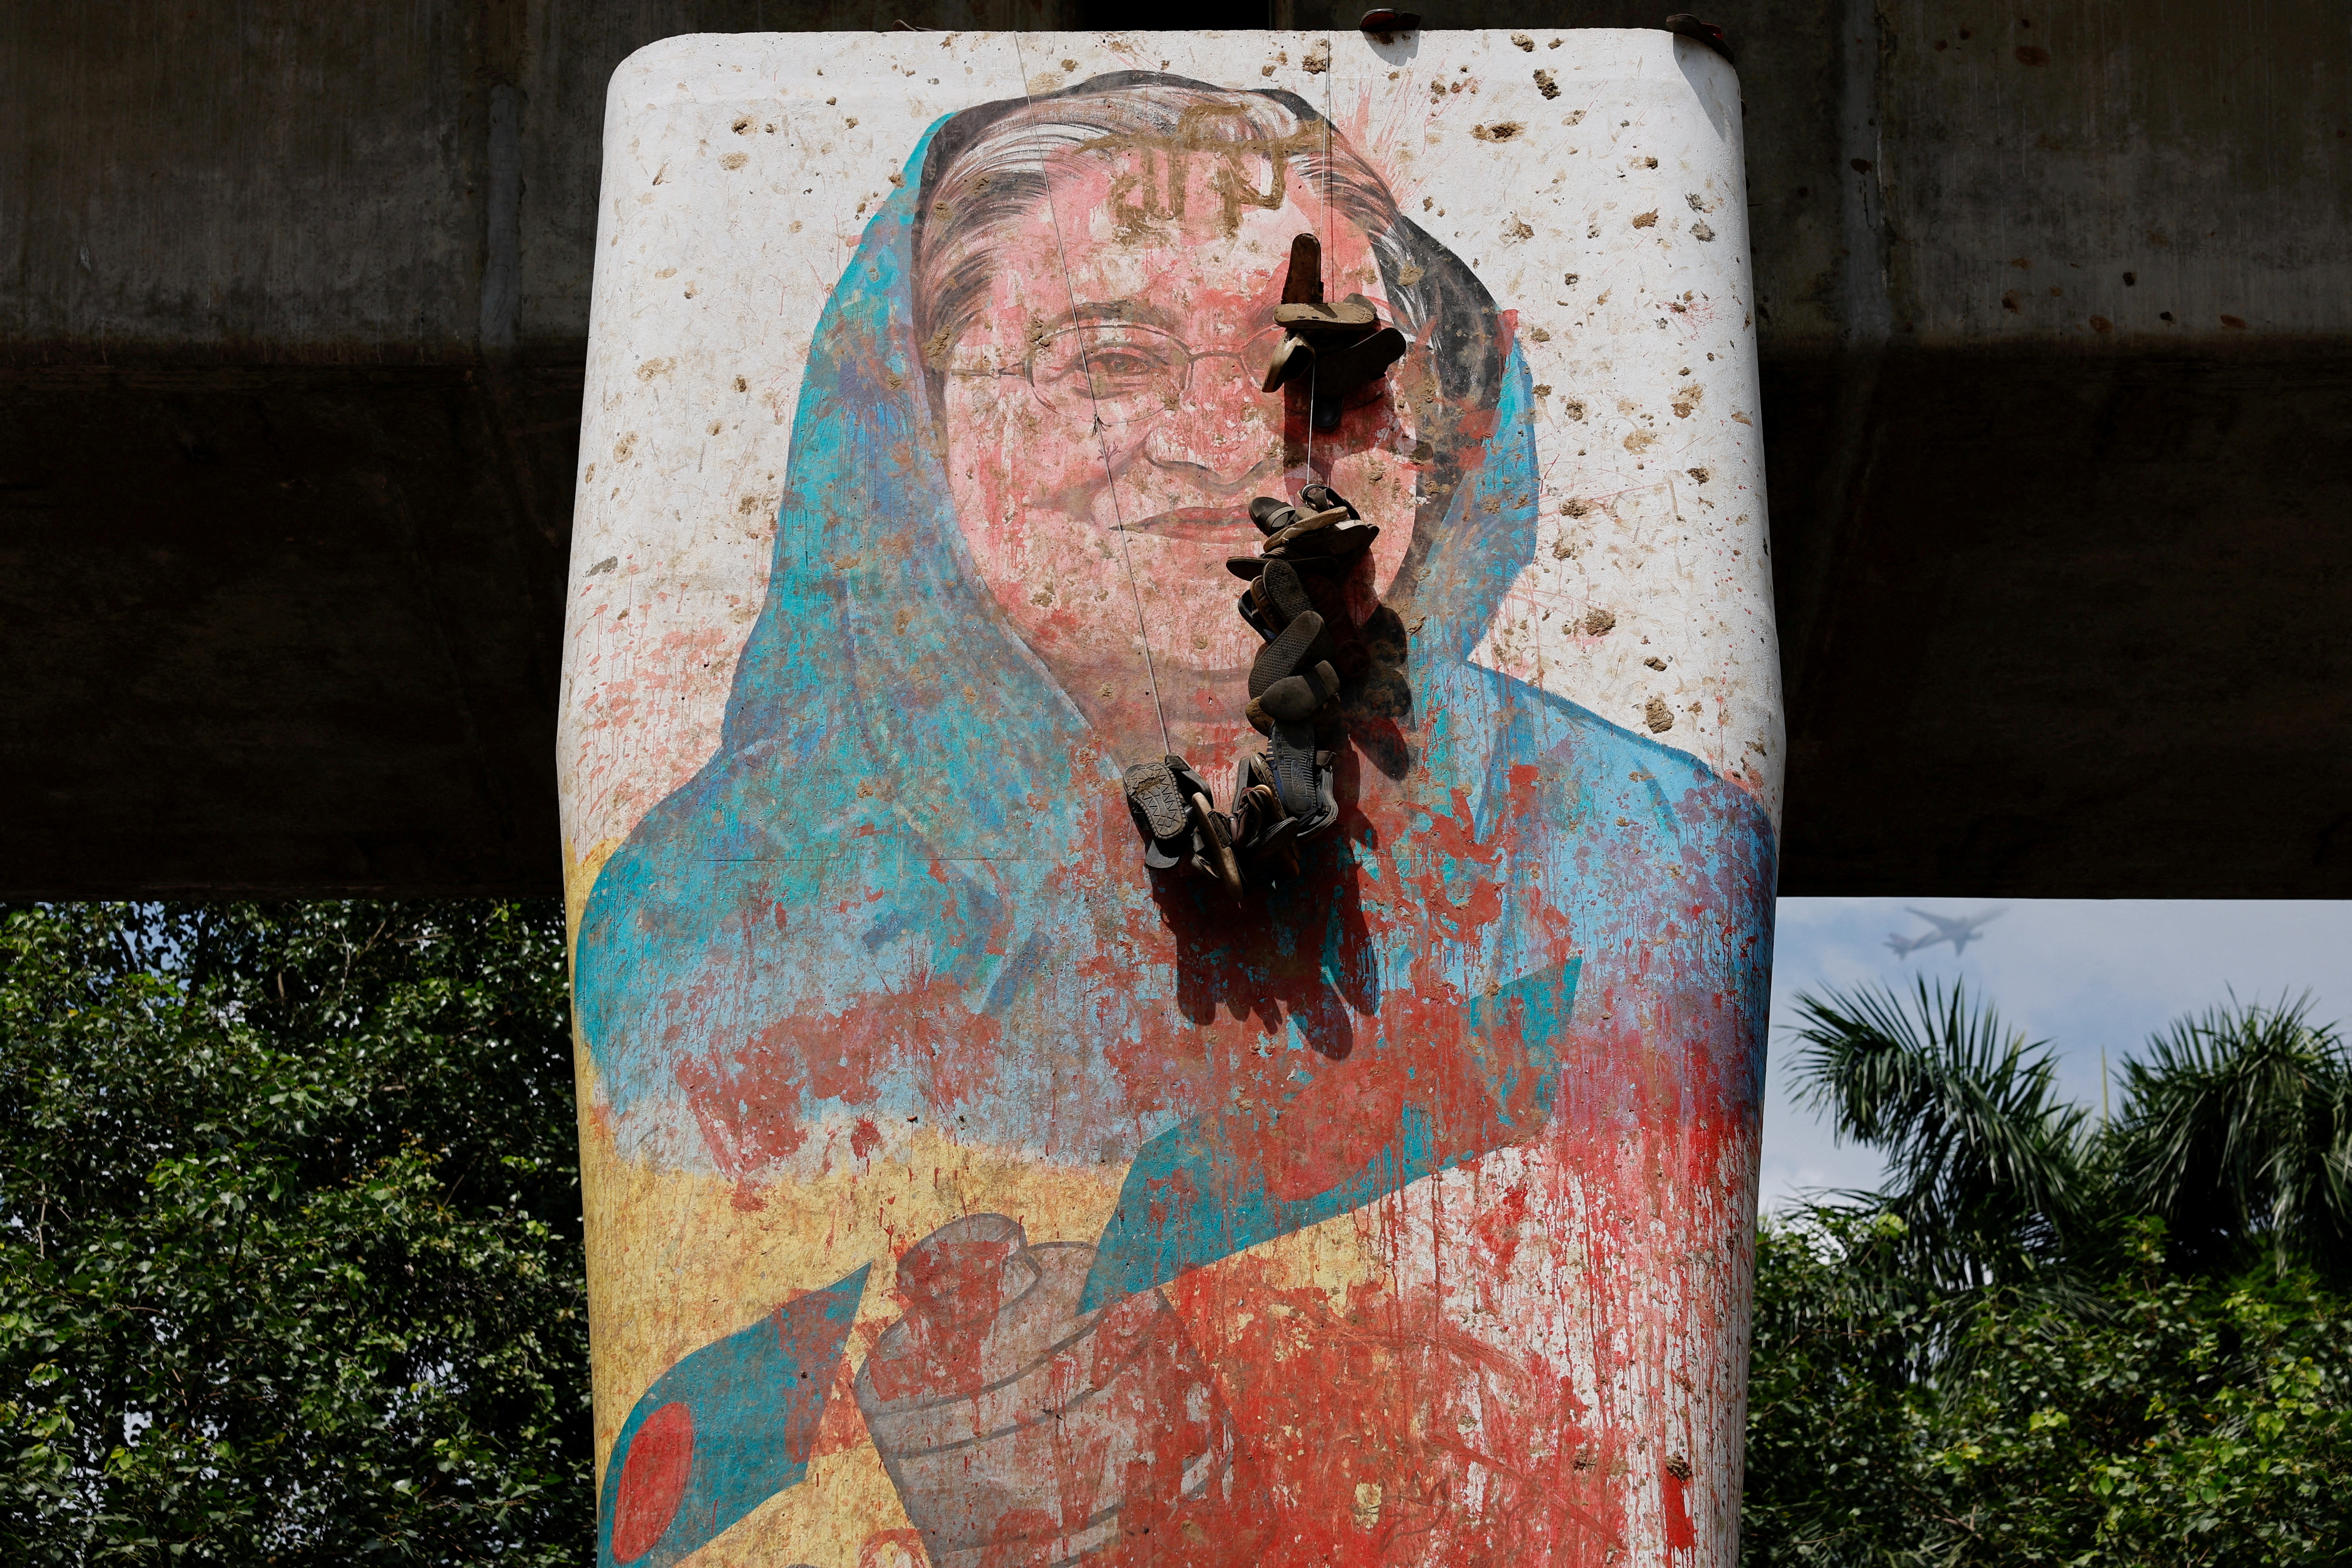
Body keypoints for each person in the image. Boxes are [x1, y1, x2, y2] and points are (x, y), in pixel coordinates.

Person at [575, 73, 1775, 1561]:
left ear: (1430, 433)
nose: (1229, 443)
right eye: (1110, 360)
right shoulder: (712, 912)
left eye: (1321, 368)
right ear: (922, 417)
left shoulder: (1633, 854)